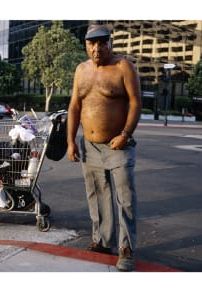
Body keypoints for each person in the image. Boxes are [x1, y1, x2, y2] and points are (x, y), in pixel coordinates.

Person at [67, 24, 141, 272]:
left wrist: (125, 134)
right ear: (86, 45)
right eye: (92, 43)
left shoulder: (123, 67)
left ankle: (126, 248)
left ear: (110, 43)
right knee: (98, 195)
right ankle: (103, 240)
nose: (97, 48)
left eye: (102, 43)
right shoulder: (81, 70)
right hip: (89, 146)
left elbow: (135, 103)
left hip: (118, 145)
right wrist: (70, 141)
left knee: (125, 198)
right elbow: (74, 107)